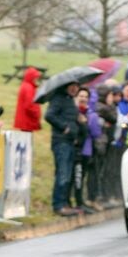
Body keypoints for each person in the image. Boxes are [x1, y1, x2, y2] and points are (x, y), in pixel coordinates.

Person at [45, 80, 82, 216]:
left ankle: (65, 203)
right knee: (62, 173)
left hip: (70, 141)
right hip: (61, 142)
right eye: (72, 86)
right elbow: (49, 115)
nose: (74, 89)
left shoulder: (71, 100)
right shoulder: (58, 99)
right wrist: (64, 127)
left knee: (67, 174)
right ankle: (58, 205)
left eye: (76, 86)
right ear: (66, 86)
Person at [13, 66, 42, 132]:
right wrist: (36, 113)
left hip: (25, 120)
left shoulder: (26, 85)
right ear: (31, 77)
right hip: (27, 121)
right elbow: (29, 105)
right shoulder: (29, 88)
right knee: (27, 139)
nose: (36, 80)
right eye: (35, 78)